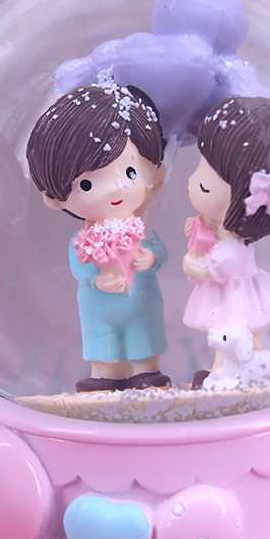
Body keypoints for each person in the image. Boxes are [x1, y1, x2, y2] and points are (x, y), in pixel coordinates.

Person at [27, 82, 171, 392]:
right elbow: (79, 266)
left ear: (154, 173)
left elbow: (158, 250)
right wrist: (96, 278)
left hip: (141, 299)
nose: (115, 189)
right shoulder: (83, 240)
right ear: (54, 197)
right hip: (98, 305)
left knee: (142, 335)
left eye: (130, 173)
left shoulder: (141, 230)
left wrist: (151, 258)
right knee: (102, 339)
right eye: (87, 185)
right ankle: (106, 374)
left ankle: (146, 371)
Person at [182, 96, 270, 385]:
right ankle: (236, 370)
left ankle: (227, 372)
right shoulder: (220, 230)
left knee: (230, 331)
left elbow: (220, 267)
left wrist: (193, 265)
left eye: (204, 186)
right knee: (242, 334)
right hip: (240, 290)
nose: (191, 185)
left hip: (235, 293)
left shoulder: (234, 245)